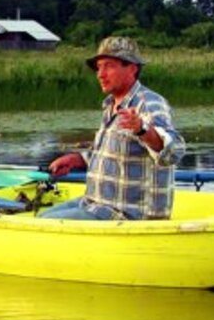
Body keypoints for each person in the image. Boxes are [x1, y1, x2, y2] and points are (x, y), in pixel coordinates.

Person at [41, 36, 185, 220]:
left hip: (126, 215)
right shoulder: (111, 104)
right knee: (44, 214)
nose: (100, 74)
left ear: (132, 68)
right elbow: (112, 154)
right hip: (96, 203)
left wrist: (143, 129)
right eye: (98, 67)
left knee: (47, 222)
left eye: (108, 66)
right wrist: (77, 160)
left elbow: (175, 151)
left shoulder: (148, 103)